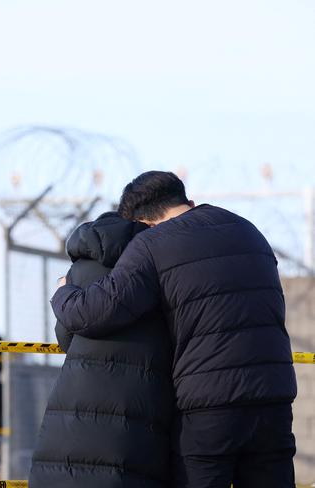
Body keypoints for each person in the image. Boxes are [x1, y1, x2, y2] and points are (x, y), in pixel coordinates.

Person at [51, 171, 298, 488]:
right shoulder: (247, 229)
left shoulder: (152, 244)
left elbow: (94, 313)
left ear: (143, 223)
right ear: (188, 202)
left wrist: (62, 291)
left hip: (210, 405)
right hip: (274, 396)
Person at [30, 212, 174, 488]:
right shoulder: (156, 267)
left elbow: (65, 337)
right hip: (135, 409)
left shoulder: (79, 270)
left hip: (71, 409)